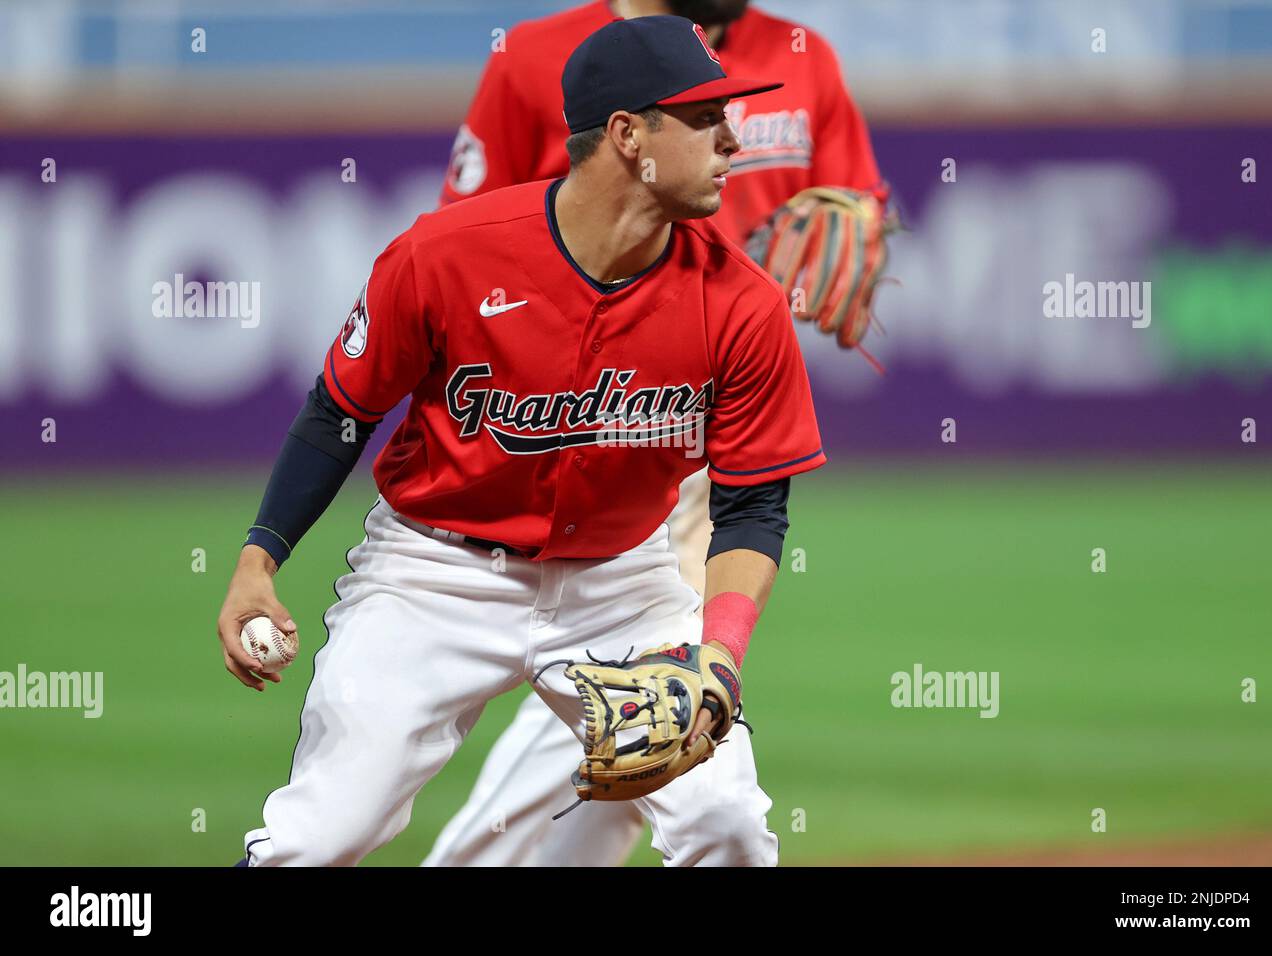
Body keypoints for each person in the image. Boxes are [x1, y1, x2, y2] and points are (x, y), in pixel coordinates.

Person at [218, 15, 825, 867]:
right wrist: (259, 559)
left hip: (623, 584)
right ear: (627, 136)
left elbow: (755, 505)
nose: (735, 136)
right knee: (319, 840)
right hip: (434, 575)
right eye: (704, 116)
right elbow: (338, 413)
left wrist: (717, 659)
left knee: (725, 823)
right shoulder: (445, 256)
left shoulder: (741, 302)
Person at [428, 0, 888, 866]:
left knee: (648, 711)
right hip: (604, 420)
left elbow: (853, 211)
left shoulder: (802, 56)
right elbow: (468, 247)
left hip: (728, 419)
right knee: (653, 694)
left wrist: (860, 230)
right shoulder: (536, 58)